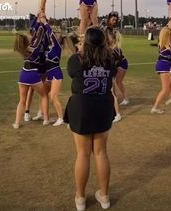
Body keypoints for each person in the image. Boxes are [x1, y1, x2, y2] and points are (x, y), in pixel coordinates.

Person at [64, 27, 117, 211]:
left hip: (82, 108)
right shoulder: (110, 59)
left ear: (85, 42)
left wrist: (80, 50)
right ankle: (104, 197)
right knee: (101, 152)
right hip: (102, 106)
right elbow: (111, 74)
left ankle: (80, 198)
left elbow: (72, 73)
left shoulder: (76, 60)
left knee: (83, 153)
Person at [12, 13, 49, 128]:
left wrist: (37, 19)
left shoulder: (23, 49)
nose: (29, 36)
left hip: (23, 75)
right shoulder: (34, 48)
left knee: (21, 101)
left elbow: (35, 35)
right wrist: (42, 22)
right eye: (28, 36)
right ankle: (46, 119)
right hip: (33, 75)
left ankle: (17, 123)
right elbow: (40, 34)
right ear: (27, 41)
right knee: (44, 96)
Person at [151, 26, 171, 114]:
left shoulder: (163, 44)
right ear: (167, 36)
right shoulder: (168, 47)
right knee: (165, 89)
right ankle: (155, 107)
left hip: (163, 65)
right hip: (164, 66)